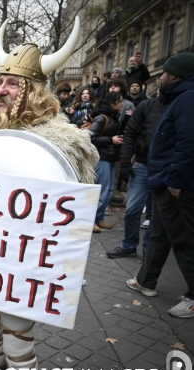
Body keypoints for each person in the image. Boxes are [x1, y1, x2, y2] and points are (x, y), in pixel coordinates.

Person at [0, 19, 99, 370]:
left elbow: (67, 206)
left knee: (16, 332)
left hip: (21, 260)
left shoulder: (61, 141)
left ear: (34, 92)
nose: (2, 90)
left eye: (12, 84)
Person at [126, 53, 194, 318]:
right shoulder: (178, 97)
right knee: (160, 234)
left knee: (184, 240)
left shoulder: (187, 99)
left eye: (164, 73)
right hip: (164, 181)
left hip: (175, 184)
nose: (160, 77)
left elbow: (188, 144)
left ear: (175, 75)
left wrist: (175, 182)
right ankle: (146, 280)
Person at [106, 94, 167, 259]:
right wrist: (125, 163)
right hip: (141, 164)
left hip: (165, 167)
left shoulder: (180, 105)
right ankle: (129, 245)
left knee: (156, 212)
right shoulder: (147, 106)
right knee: (132, 210)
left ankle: (149, 248)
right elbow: (130, 133)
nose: (161, 79)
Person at [88, 92, 124, 233]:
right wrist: (111, 140)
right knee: (100, 192)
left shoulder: (114, 118)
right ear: (112, 103)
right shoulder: (102, 118)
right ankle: (91, 221)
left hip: (110, 158)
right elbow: (90, 137)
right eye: (119, 100)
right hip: (102, 158)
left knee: (108, 191)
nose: (122, 103)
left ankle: (99, 218)